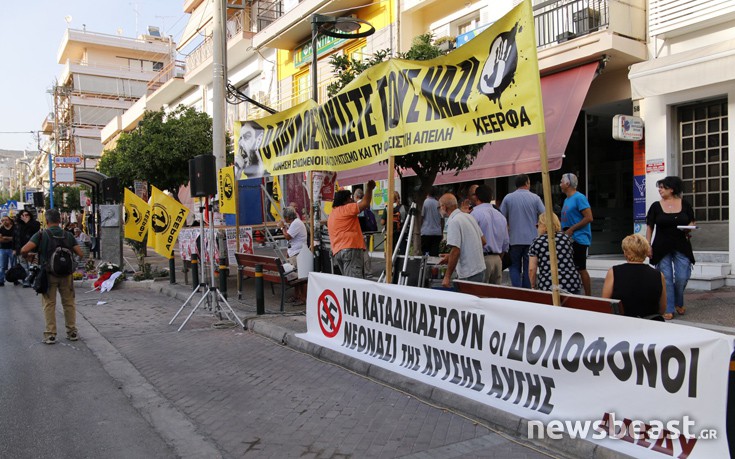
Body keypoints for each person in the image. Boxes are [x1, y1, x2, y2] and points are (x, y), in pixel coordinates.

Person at [21, 209, 84, 345]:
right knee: (69, 303)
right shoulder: (67, 235)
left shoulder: (41, 235)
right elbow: (80, 253)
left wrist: (29, 257)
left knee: (49, 304)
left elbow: (24, 249)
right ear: (60, 220)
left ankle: (50, 334)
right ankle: (72, 332)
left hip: (48, 275)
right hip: (66, 275)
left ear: (47, 221)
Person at [646, 176, 695, 320]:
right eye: (659, 188)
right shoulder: (655, 206)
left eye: (662, 187)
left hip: (681, 244)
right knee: (666, 278)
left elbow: (692, 220)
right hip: (661, 246)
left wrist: (690, 228)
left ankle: (678, 301)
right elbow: (650, 227)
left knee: (682, 276)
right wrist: (648, 245)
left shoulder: (684, 204)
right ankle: (669, 307)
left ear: (671, 189)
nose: (660, 190)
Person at [602, 234, 666, 319]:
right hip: (650, 323)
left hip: (622, 323)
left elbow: (604, 303)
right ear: (645, 252)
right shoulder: (658, 275)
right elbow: (662, 309)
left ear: (626, 252)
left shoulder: (614, 272)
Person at [499, 174, 545, 288]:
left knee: (514, 267)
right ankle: (527, 292)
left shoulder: (508, 198)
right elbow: (545, 216)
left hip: (514, 239)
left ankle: (517, 291)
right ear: (526, 183)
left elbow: (501, 218)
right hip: (532, 240)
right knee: (528, 267)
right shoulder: (535, 198)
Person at [327, 180, 376, 278]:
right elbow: (365, 203)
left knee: (347, 281)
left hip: (338, 250)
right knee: (354, 282)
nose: (352, 200)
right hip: (350, 247)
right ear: (344, 201)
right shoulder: (346, 208)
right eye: (349, 198)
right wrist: (369, 188)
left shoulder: (332, 214)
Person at [438, 193, 486, 288]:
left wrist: (447, 276)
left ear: (444, 207)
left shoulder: (454, 221)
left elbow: (456, 250)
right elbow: (483, 241)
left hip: (469, 273)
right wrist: (450, 256)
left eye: (439, 207)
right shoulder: (469, 217)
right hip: (480, 269)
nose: (439, 209)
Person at [528, 212, 581, 294]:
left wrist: (533, 286)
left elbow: (532, 269)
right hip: (572, 282)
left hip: (548, 284)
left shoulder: (537, 242)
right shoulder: (567, 239)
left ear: (543, 226)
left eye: (538, 224)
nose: (537, 227)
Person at [560, 172, 593, 295]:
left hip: (578, 238)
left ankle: (588, 296)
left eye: (561, 181)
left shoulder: (579, 198)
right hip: (568, 237)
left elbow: (589, 217)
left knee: (580, 268)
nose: (560, 184)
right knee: (572, 268)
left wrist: (572, 229)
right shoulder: (566, 200)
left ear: (568, 184)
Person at [470, 185, 509, 284]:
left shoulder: (474, 214)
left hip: (482, 259)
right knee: (494, 295)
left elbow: (470, 239)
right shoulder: (500, 216)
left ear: (476, 197)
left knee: (480, 293)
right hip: (497, 259)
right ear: (491, 197)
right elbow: (505, 243)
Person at [14, 210, 41, 287]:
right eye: (23, 215)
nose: (25, 217)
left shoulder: (35, 223)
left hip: (32, 249)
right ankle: (26, 280)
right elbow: (15, 237)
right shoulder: (18, 225)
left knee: (32, 266)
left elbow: (35, 231)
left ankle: (33, 280)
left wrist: (27, 222)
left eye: (27, 215)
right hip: (21, 249)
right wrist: (14, 249)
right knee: (24, 266)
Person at [420, 187, 443, 256]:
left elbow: (421, 217)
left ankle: (425, 266)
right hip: (437, 232)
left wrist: (419, 229)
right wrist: (441, 231)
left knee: (425, 253)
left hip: (426, 232)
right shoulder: (439, 204)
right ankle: (434, 266)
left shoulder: (424, 203)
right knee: (434, 253)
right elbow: (442, 219)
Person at [0, 215, 15, 286]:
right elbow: (1, 239)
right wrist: (9, 239)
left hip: (12, 249)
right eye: (2, 220)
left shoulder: (14, 228)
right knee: (2, 266)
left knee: (13, 265)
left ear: (10, 220)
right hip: (3, 249)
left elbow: (15, 238)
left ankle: (15, 279)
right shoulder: (1, 228)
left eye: (6, 220)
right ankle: (1, 280)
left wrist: (6, 238)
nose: (4, 221)